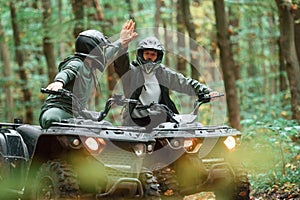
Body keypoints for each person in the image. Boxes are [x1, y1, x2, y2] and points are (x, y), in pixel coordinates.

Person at [39, 20, 138, 129]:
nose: (103, 52)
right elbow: (68, 71)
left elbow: (109, 52)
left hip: (77, 113)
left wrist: (122, 41)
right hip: (60, 109)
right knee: (51, 118)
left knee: (105, 127)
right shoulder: (77, 63)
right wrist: (59, 82)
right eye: (101, 48)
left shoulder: (90, 65)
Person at [114, 36, 218, 129]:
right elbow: (121, 65)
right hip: (135, 122)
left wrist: (205, 91)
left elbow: (184, 83)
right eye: (147, 54)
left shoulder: (163, 73)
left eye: (153, 54)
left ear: (158, 56)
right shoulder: (131, 72)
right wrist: (123, 46)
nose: (150, 57)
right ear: (141, 54)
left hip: (160, 120)